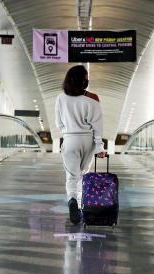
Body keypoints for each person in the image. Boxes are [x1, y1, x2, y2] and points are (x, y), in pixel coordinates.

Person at [55, 65, 106, 225]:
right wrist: (99, 148)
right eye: (86, 77)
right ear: (82, 80)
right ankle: (81, 204)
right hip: (87, 140)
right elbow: (98, 127)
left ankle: (72, 201)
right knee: (83, 175)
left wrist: (69, 131)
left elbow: (58, 124)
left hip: (70, 139)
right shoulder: (93, 99)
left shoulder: (61, 98)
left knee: (71, 175)